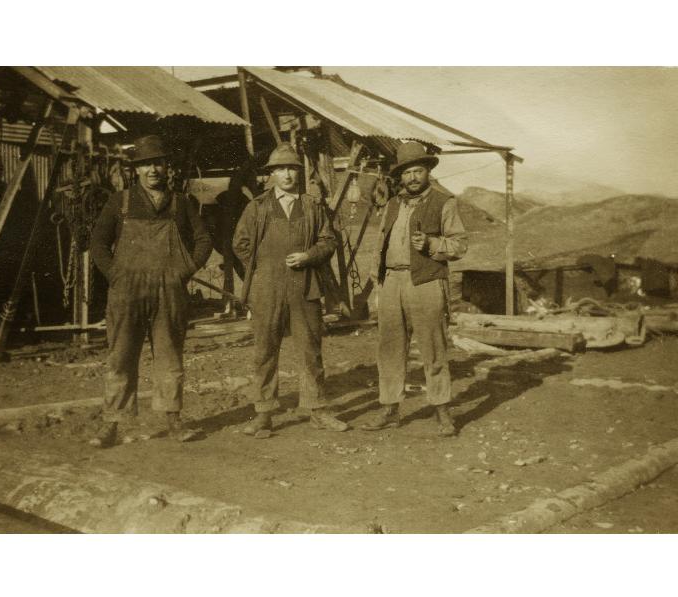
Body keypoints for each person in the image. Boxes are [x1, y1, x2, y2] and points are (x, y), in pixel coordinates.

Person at [89, 134, 212, 446]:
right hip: (126, 292)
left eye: (157, 163)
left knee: (170, 357)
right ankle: (110, 425)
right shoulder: (121, 202)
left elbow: (204, 241)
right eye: (145, 165)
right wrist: (115, 275)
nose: (152, 170)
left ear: (165, 167)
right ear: (137, 170)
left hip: (168, 292)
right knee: (120, 357)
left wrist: (183, 271)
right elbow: (98, 244)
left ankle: (174, 421)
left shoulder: (180, 203)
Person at [233, 143, 349, 437]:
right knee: (265, 351)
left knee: (311, 350)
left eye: (292, 168)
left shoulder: (312, 206)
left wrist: (308, 256)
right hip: (266, 289)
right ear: (271, 174)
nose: (287, 174)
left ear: (299, 172)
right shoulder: (257, 207)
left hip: (305, 287)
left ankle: (318, 410)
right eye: (280, 169)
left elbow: (329, 241)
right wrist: (260, 272)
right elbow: (240, 244)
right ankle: (263, 414)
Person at [363, 141, 467, 436]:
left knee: (432, 347)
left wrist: (433, 244)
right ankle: (390, 408)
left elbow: (460, 244)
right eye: (407, 172)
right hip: (391, 282)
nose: (412, 178)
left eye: (417, 171)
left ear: (427, 171)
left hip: (426, 280)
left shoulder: (444, 202)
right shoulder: (393, 203)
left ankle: (442, 410)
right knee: (390, 348)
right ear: (401, 176)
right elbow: (381, 241)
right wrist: (376, 277)